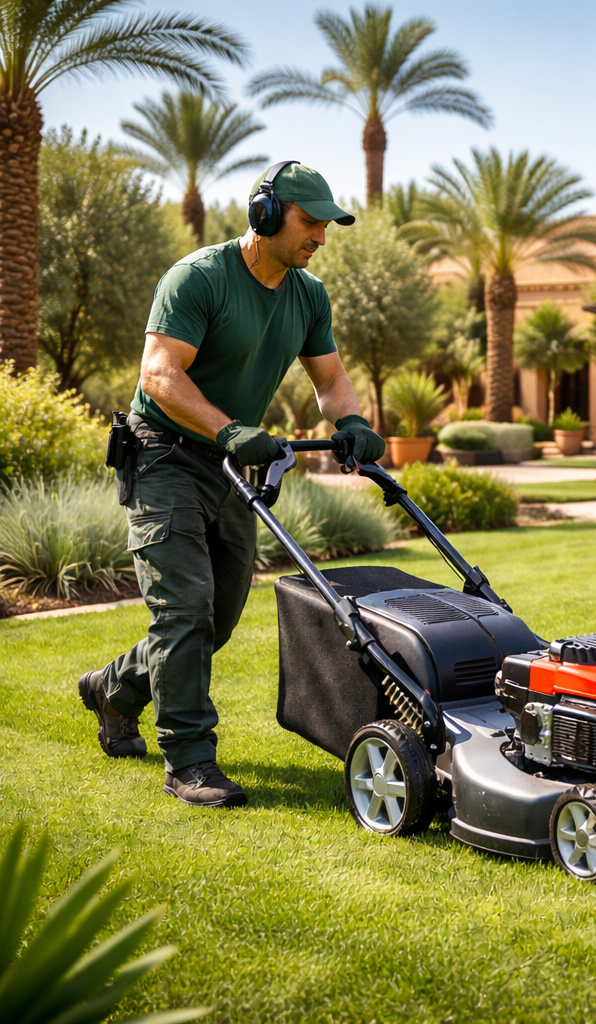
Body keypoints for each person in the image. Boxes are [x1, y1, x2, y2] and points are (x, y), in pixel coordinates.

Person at [78, 161, 385, 808]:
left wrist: (352, 420)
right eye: (310, 222)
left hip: (228, 465)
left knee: (214, 619)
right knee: (183, 610)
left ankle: (115, 687)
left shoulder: (308, 294)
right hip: (164, 456)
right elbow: (161, 375)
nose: (321, 238)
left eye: (328, 226)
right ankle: (189, 760)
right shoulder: (198, 278)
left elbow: (329, 379)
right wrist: (226, 430)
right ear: (265, 215)